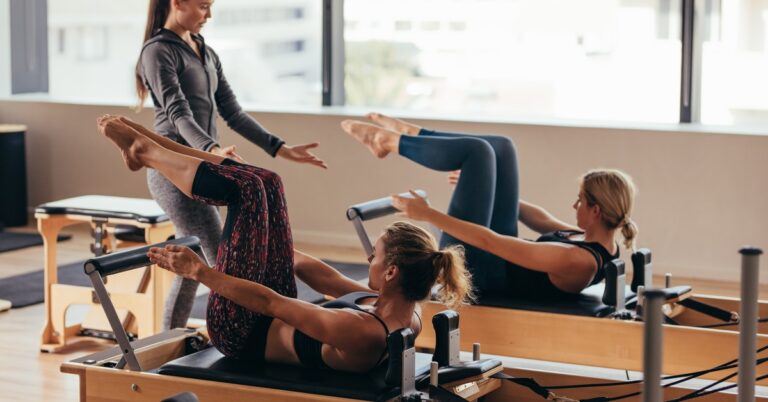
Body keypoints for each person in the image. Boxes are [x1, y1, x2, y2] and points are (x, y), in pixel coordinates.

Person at [97, 115, 473, 371]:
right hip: (261, 312)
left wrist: (200, 271)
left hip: (239, 332)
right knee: (268, 184)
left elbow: (270, 301)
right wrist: (263, 238)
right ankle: (150, 144)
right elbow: (323, 278)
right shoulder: (401, 308)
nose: (368, 258)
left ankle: (145, 151)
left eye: (373, 255)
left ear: (391, 271)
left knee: (246, 191)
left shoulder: (363, 332)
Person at [135, 0, 327, 329]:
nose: (209, 15)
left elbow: (233, 113)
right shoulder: (157, 51)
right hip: (174, 167)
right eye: (203, 6)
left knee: (199, 257)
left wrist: (280, 148)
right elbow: (177, 113)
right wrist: (211, 150)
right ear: (177, 2)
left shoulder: (204, 51)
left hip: (206, 164)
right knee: (217, 262)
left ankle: (170, 339)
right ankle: (234, 333)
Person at [341, 113, 638, 299]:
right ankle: (415, 135)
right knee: (502, 147)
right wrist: (484, 185)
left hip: (479, 276)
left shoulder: (578, 261)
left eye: (580, 201)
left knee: (477, 152)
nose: (574, 205)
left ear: (596, 211)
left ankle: (389, 142)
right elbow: (541, 220)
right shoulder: (597, 240)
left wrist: (426, 213)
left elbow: (489, 241)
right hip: (493, 261)